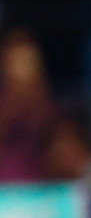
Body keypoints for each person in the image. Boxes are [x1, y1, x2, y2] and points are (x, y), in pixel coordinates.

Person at [0, 29, 60, 183]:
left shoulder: (44, 101)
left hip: (40, 188)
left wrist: (35, 100)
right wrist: (11, 102)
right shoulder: (5, 103)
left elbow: (55, 145)